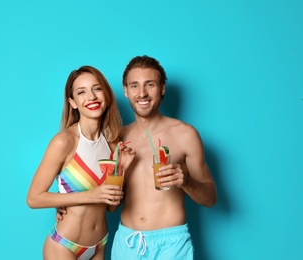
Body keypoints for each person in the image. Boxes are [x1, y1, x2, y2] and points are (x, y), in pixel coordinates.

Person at [109, 55, 217, 259]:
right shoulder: (117, 139)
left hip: (171, 245)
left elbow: (210, 198)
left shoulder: (185, 134)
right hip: (127, 242)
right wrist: (68, 208)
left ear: (162, 88)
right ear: (126, 91)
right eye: (134, 86)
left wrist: (186, 182)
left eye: (149, 84)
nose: (142, 93)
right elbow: (109, 206)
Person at [27, 66, 135, 260]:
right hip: (64, 246)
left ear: (107, 95)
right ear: (73, 102)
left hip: (99, 244)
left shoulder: (112, 145)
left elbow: (110, 207)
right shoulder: (64, 141)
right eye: (81, 92)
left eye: (97, 88)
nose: (91, 97)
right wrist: (90, 195)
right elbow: (34, 198)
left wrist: (122, 169)